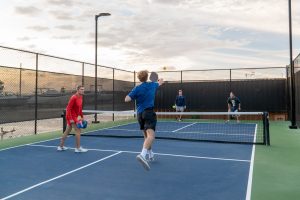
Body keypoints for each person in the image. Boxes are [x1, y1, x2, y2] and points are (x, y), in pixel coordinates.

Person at [125, 70, 164, 171]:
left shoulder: (137, 88)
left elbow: (127, 99)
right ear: (147, 77)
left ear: (139, 78)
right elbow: (161, 81)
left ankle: (150, 154)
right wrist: (158, 80)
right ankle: (142, 155)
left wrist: (135, 93)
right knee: (151, 136)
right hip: (149, 113)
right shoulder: (152, 85)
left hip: (139, 114)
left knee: (146, 136)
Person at [57, 85, 88, 153]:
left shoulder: (81, 97)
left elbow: (79, 108)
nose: (83, 90)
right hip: (71, 117)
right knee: (78, 131)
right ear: (78, 90)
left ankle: (60, 147)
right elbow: (68, 109)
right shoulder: (73, 97)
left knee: (67, 131)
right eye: (81, 89)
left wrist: (82, 117)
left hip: (75, 117)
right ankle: (78, 148)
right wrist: (71, 119)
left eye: (83, 89)